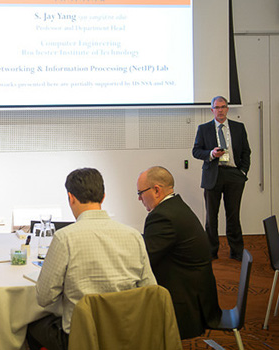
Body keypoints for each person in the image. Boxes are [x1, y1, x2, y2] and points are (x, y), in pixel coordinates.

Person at [27, 168, 156, 350]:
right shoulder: (134, 236)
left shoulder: (65, 238)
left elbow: (44, 297)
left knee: (30, 327)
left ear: (71, 197)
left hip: (80, 338)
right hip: (126, 334)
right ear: (103, 197)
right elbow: (149, 290)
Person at [137, 166, 222, 339]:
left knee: (127, 309)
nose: (139, 198)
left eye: (140, 192)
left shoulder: (162, 217)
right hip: (200, 294)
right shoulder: (175, 206)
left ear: (156, 190)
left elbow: (144, 261)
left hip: (187, 305)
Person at [192, 96, 251, 261]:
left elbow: (246, 151)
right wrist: (211, 154)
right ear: (212, 110)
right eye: (217, 107)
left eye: (223, 107)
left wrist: (243, 172)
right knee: (211, 216)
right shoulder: (204, 129)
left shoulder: (238, 127)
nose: (220, 110)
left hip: (234, 175)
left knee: (233, 215)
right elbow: (196, 151)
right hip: (213, 174)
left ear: (227, 109)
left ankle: (237, 252)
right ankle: (211, 251)